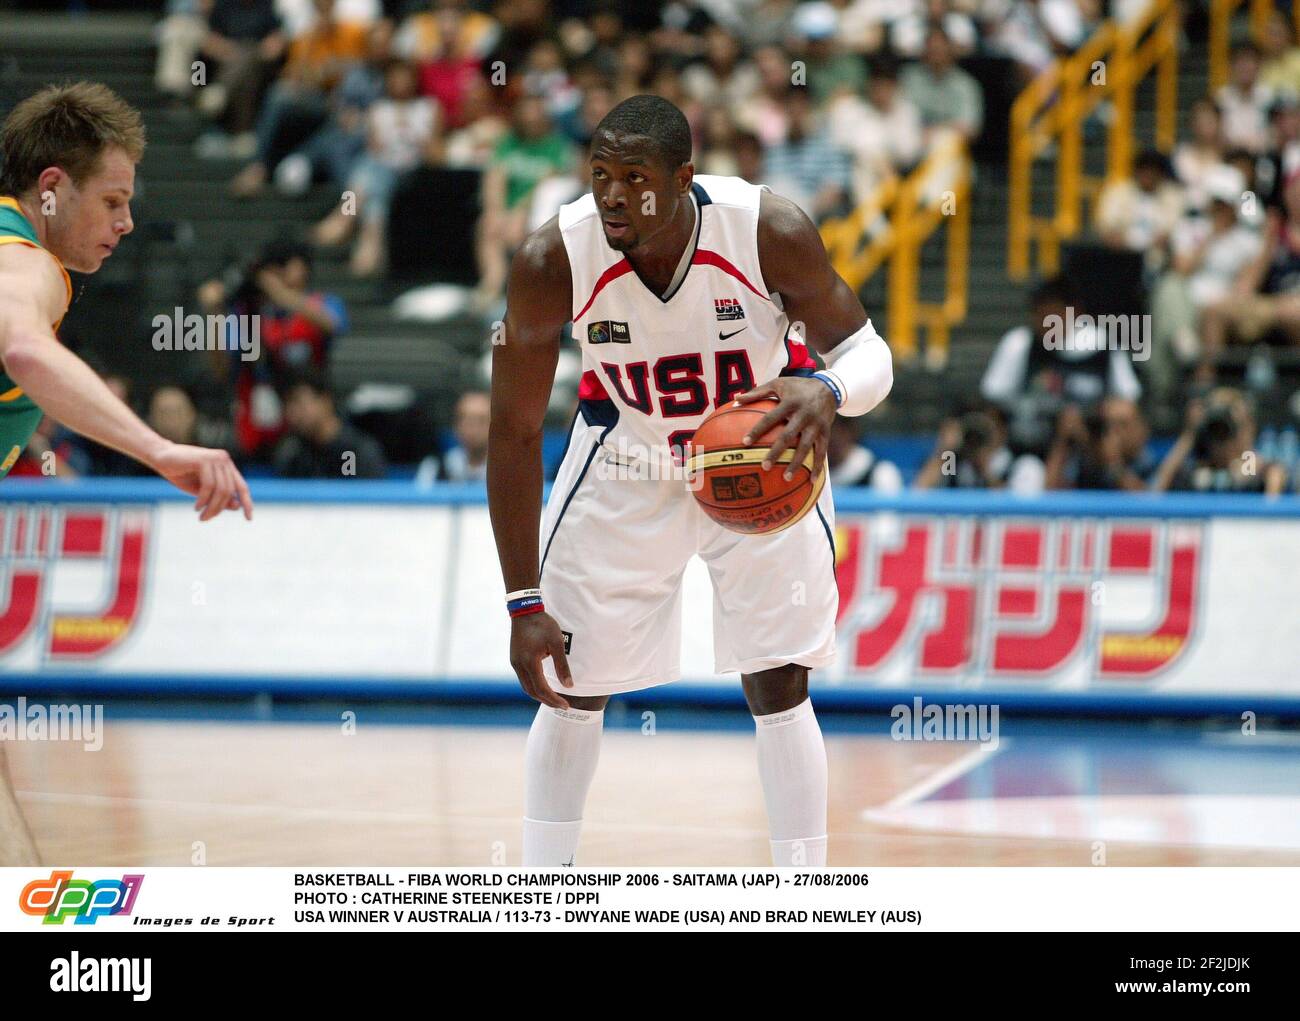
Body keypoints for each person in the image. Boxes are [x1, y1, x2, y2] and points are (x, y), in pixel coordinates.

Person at [487, 94, 893, 868]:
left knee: (779, 681)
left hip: (756, 456)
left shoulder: (767, 229)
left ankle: (801, 894)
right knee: (571, 684)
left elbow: (869, 353)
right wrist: (521, 599)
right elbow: (511, 431)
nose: (612, 194)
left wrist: (828, 392)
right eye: (600, 173)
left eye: (634, 177)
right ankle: (542, 891)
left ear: (683, 179)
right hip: (628, 458)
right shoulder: (554, 258)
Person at [0, 82, 254, 865]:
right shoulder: (26, 266)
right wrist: (162, 450)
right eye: (112, 199)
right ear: (51, 189)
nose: (127, 221)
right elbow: (26, 350)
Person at [272, 369, 387, 478]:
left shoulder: (357, 453)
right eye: (286, 404)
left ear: (325, 400)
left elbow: (368, 496)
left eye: (297, 402)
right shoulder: (293, 454)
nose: (292, 412)